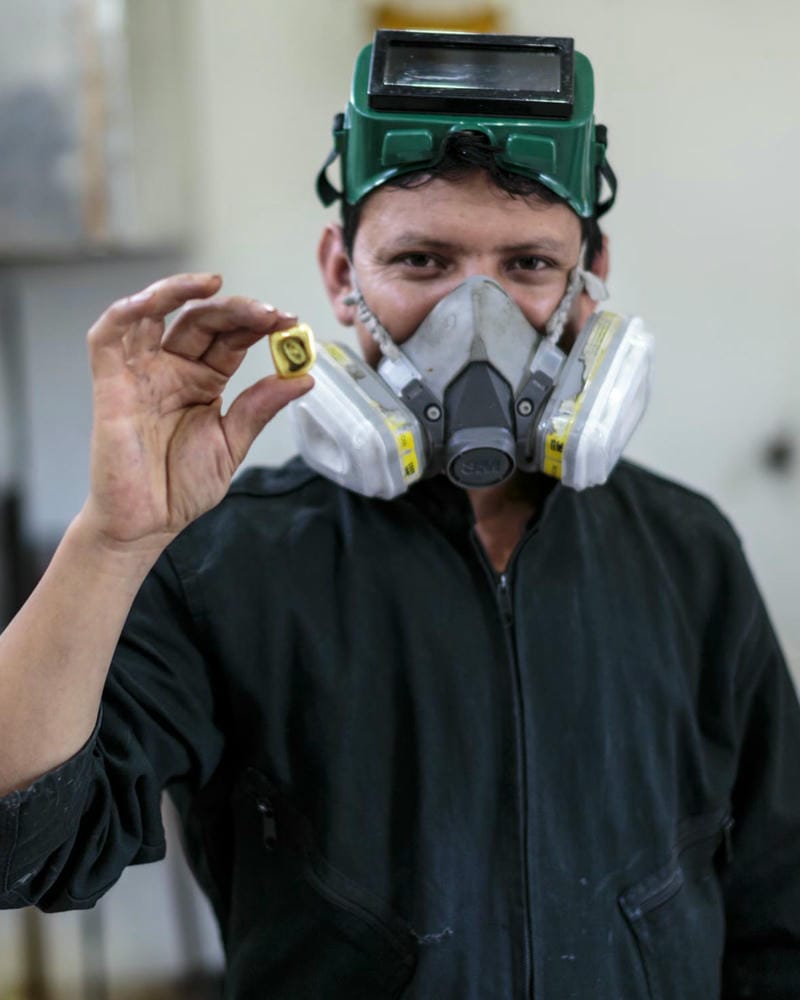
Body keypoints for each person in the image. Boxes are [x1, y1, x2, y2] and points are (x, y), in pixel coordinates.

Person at [1, 29, 799, 1000]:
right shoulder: (224, 561)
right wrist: (113, 539)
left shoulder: (688, 554)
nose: (480, 315)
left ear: (588, 279)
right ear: (341, 275)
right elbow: (26, 848)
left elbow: (776, 910)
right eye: (421, 260)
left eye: (528, 265)